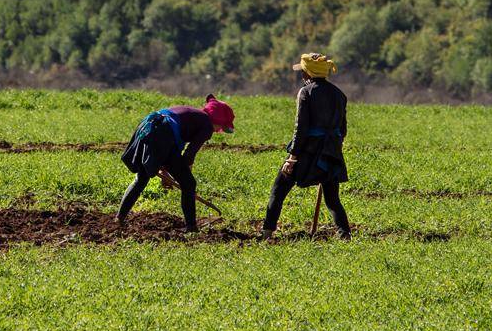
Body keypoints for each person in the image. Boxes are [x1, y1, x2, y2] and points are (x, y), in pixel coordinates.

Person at [262, 52, 351, 241]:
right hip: (331, 152)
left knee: (278, 190)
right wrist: (332, 150)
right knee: (333, 199)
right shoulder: (339, 94)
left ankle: (267, 233)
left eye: (302, 71)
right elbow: (342, 130)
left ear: (307, 74)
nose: (301, 75)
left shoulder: (305, 92)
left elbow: (300, 128)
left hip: (308, 151)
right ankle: (345, 236)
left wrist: (292, 158)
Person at [118, 95, 235, 232]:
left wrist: (166, 169)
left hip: (148, 127)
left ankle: (119, 219)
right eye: (220, 127)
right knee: (189, 183)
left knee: (142, 178)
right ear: (217, 119)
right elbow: (189, 155)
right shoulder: (207, 125)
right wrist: (184, 176)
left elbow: (171, 149)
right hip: (162, 132)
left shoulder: (193, 115)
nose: (217, 130)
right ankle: (191, 227)